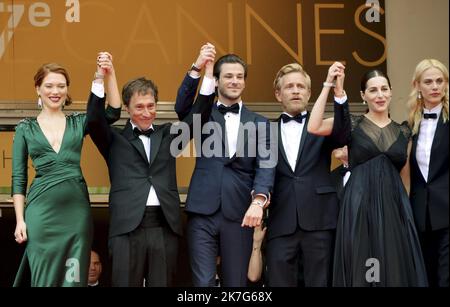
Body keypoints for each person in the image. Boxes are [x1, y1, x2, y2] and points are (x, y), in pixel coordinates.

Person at [86, 46, 215, 287]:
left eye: (151, 105)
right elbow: (93, 119)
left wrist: (204, 70)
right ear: (127, 109)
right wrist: (101, 75)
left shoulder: (168, 135)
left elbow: (199, 115)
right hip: (126, 227)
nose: (147, 112)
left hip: (164, 225)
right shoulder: (113, 139)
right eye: (139, 107)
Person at [308, 62, 428, 286]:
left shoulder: (404, 131)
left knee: (393, 269)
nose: (380, 95)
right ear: (363, 96)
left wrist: (406, 215)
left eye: (384, 89)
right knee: (364, 266)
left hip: (395, 209)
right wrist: (328, 85)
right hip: (359, 206)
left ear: (391, 92)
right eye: (373, 90)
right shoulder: (352, 123)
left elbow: (406, 178)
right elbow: (313, 126)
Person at [11, 54, 121, 287]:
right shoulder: (25, 128)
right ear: (38, 89)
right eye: (49, 85)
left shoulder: (78, 122)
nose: (55, 91)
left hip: (76, 213)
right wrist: (20, 220)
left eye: (61, 86)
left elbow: (112, 112)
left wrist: (107, 74)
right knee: (43, 278)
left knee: (73, 279)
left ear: (67, 90)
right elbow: (18, 178)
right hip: (40, 213)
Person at [175, 46, 275, 287]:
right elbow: (181, 106)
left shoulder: (260, 123)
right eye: (228, 76)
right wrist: (198, 66)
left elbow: (266, 167)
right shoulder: (203, 113)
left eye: (240, 77)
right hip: (202, 210)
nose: (235, 81)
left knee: (236, 284)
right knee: (203, 283)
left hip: (241, 212)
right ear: (217, 80)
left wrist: (258, 201)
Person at [265, 63, 347, 287]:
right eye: (289, 86)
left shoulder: (323, 127)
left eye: (301, 86)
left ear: (310, 93)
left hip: (320, 219)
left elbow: (343, 133)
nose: (296, 90)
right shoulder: (264, 131)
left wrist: (337, 92)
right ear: (278, 94)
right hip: (281, 221)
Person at [407, 59, 449, 287]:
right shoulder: (410, 125)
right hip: (420, 216)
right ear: (417, 86)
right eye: (429, 81)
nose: (435, 86)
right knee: (425, 277)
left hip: (447, 212)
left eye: (440, 81)